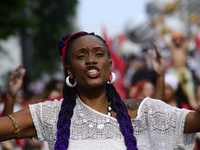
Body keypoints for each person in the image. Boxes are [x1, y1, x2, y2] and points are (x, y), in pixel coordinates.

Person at [0, 31, 199, 150]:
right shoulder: (50, 114)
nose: (91, 60)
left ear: (110, 65)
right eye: (81, 56)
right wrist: (10, 96)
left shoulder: (142, 111)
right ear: (69, 70)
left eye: (99, 53)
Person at [156, 28, 199, 109]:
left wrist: (197, 27)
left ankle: (193, 103)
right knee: (167, 85)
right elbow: (163, 38)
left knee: (189, 87)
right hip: (174, 70)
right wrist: (156, 29)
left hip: (184, 70)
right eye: (176, 39)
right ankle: (166, 101)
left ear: (182, 40)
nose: (177, 40)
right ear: (174, 40)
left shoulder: (184, 47)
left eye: (179, 39)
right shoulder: (172, 48)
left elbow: (192, 38)